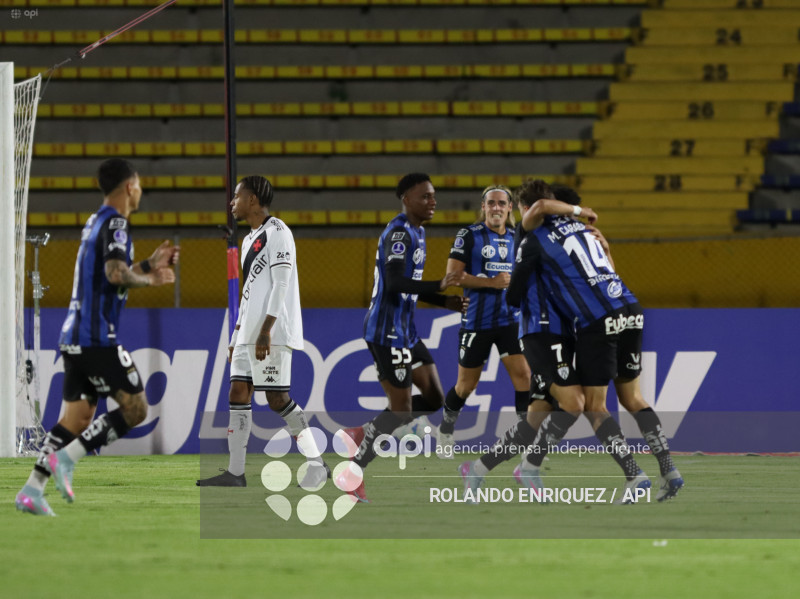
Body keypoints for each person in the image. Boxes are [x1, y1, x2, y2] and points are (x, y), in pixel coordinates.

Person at [15, 158, 179, 516]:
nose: (140, 190)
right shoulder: (118, 223)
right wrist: (150, 280)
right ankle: (67, 460)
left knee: (75, 420)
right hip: (95, 338)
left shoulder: (96, 221)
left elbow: (111, 274)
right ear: (129, 186)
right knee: (136, 409)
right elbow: (116, 273)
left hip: (74, 335)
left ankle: (31, 490)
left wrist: (149, 265)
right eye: (137, 184)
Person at [516, 182, 684, 501]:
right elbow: (607, 272)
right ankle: (669, 470)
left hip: (597, 319)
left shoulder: (542, 236)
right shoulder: (586, 234)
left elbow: (537, 214)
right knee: (633, 398)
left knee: (593, 406)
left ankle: (634, 476)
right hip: (630, 309)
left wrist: (580, 211)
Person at [335, 173, 468, 502]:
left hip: (406, 329)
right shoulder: (399, 233)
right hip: (386, 331)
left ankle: (362, 432)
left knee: (435, 398)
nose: (432, 201)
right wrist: (439, 286)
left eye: (434, 195)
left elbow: (408, 286)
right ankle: (353, 474)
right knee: (401, 409)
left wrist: (443, 302)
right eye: (425, 196)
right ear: (407, 199)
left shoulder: (418, 232)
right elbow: (394, 283)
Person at [197, 175, 326, 488]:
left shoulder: (278, 231)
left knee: (277, 398)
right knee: (238, 393)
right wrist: (236, 334)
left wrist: (266, 331)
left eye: (237, 196)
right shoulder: (247, 239)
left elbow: (281, 283)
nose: (232, 203)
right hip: (247, 333)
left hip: (272, 332)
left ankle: (317, 465)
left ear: (252, 200)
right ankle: (236, 473)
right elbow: (249, 292)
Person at [434, 185, 531, 456]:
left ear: (510, 207)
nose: (496, 208)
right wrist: (491, 282)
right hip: (476, 322)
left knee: (524, 377)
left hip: (509, 321)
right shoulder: (469, 235)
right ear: (484, 207)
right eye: (491, 203)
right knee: (466, 386)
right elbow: (453, 275)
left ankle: (525, 441)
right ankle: (445, 431)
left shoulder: (517, 237)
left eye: (502, 203)